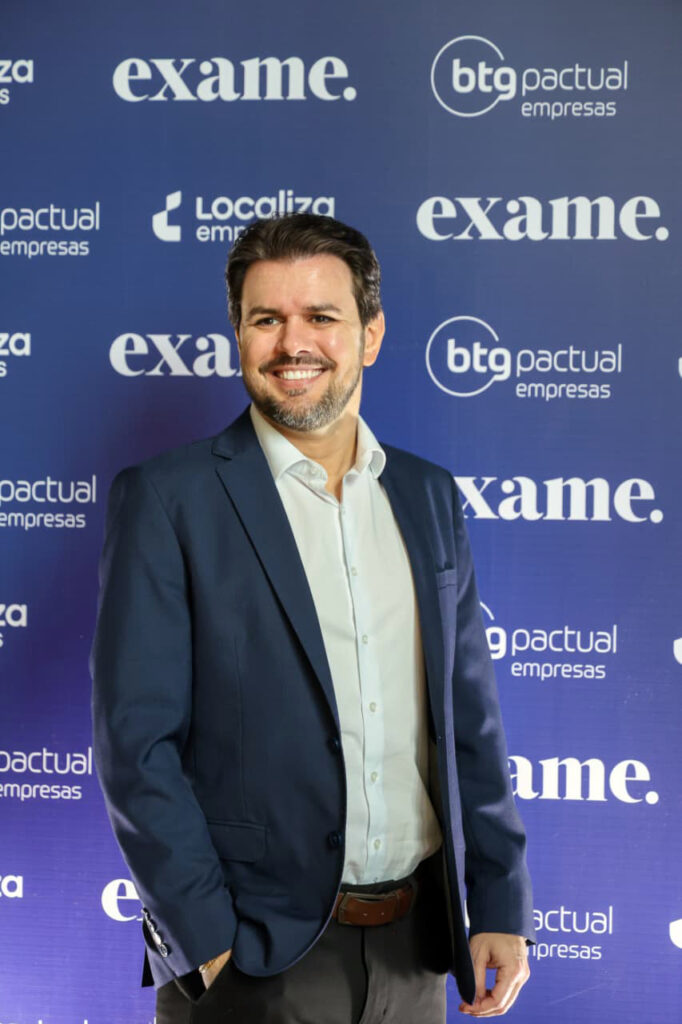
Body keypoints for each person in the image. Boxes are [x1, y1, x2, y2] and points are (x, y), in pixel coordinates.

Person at [91, 213, 534, 1023]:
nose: (292, 343)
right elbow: (135, 745)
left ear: (371, 334)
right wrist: (208, 942)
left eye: (321, 317)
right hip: (253, 960)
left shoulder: (428, 496)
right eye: (266, 319)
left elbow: (470, 721)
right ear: (238, 334)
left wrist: (500, 900)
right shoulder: (167, 500)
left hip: (417, 953)